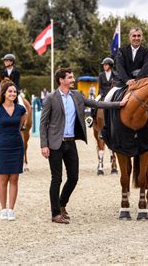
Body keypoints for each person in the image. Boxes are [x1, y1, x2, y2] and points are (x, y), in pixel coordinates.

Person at [40, 68, 128, 224]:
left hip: (71, 142)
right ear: (61, 80)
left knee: (74, 177)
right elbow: (43, 123)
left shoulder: (77, 96)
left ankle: (61, 204)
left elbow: (96, 103)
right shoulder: (51, 98)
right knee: (57, 179)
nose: (73, 79)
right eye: (70, 77)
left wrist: (119, 104)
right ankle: (55, 214)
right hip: (55, 144)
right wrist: (43, 145)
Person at [0, 81, 28, 221]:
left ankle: (11, 209)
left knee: (14, 178)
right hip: (3, 146)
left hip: (17, 146)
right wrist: (0, 143)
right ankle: (3, 209)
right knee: (3, 179)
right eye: (10, 91)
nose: (12, 93)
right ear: (4, 93)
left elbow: (20, 127)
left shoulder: (21, 110)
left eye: (14, 91)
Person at [104, 27, 148, 101]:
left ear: (142, 37)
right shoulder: (121, 51)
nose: (136, 38)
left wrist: (136, 81)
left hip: (142, 83)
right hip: (123, 83)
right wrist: (127, 80)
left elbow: (146, 67)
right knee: (107, 99)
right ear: (130, 37)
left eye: (139, 36)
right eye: (134, 36)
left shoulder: (147, 52)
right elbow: (120, 67)